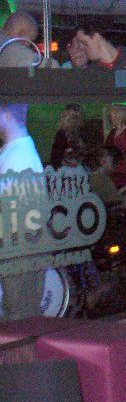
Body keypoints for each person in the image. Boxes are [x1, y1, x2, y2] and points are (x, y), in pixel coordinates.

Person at [0, 103, 46, 323]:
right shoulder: (17, 151)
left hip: (19, 246)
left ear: (8, 115)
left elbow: (17, 213)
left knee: (19, 315)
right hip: (22, 245)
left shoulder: (18, 157)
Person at [50, 103, 85, 169]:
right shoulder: (62, 134)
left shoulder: (80, 133)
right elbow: (56, 157)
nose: (76, 121)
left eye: (78, 118)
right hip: (66, 169)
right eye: (74, 117)